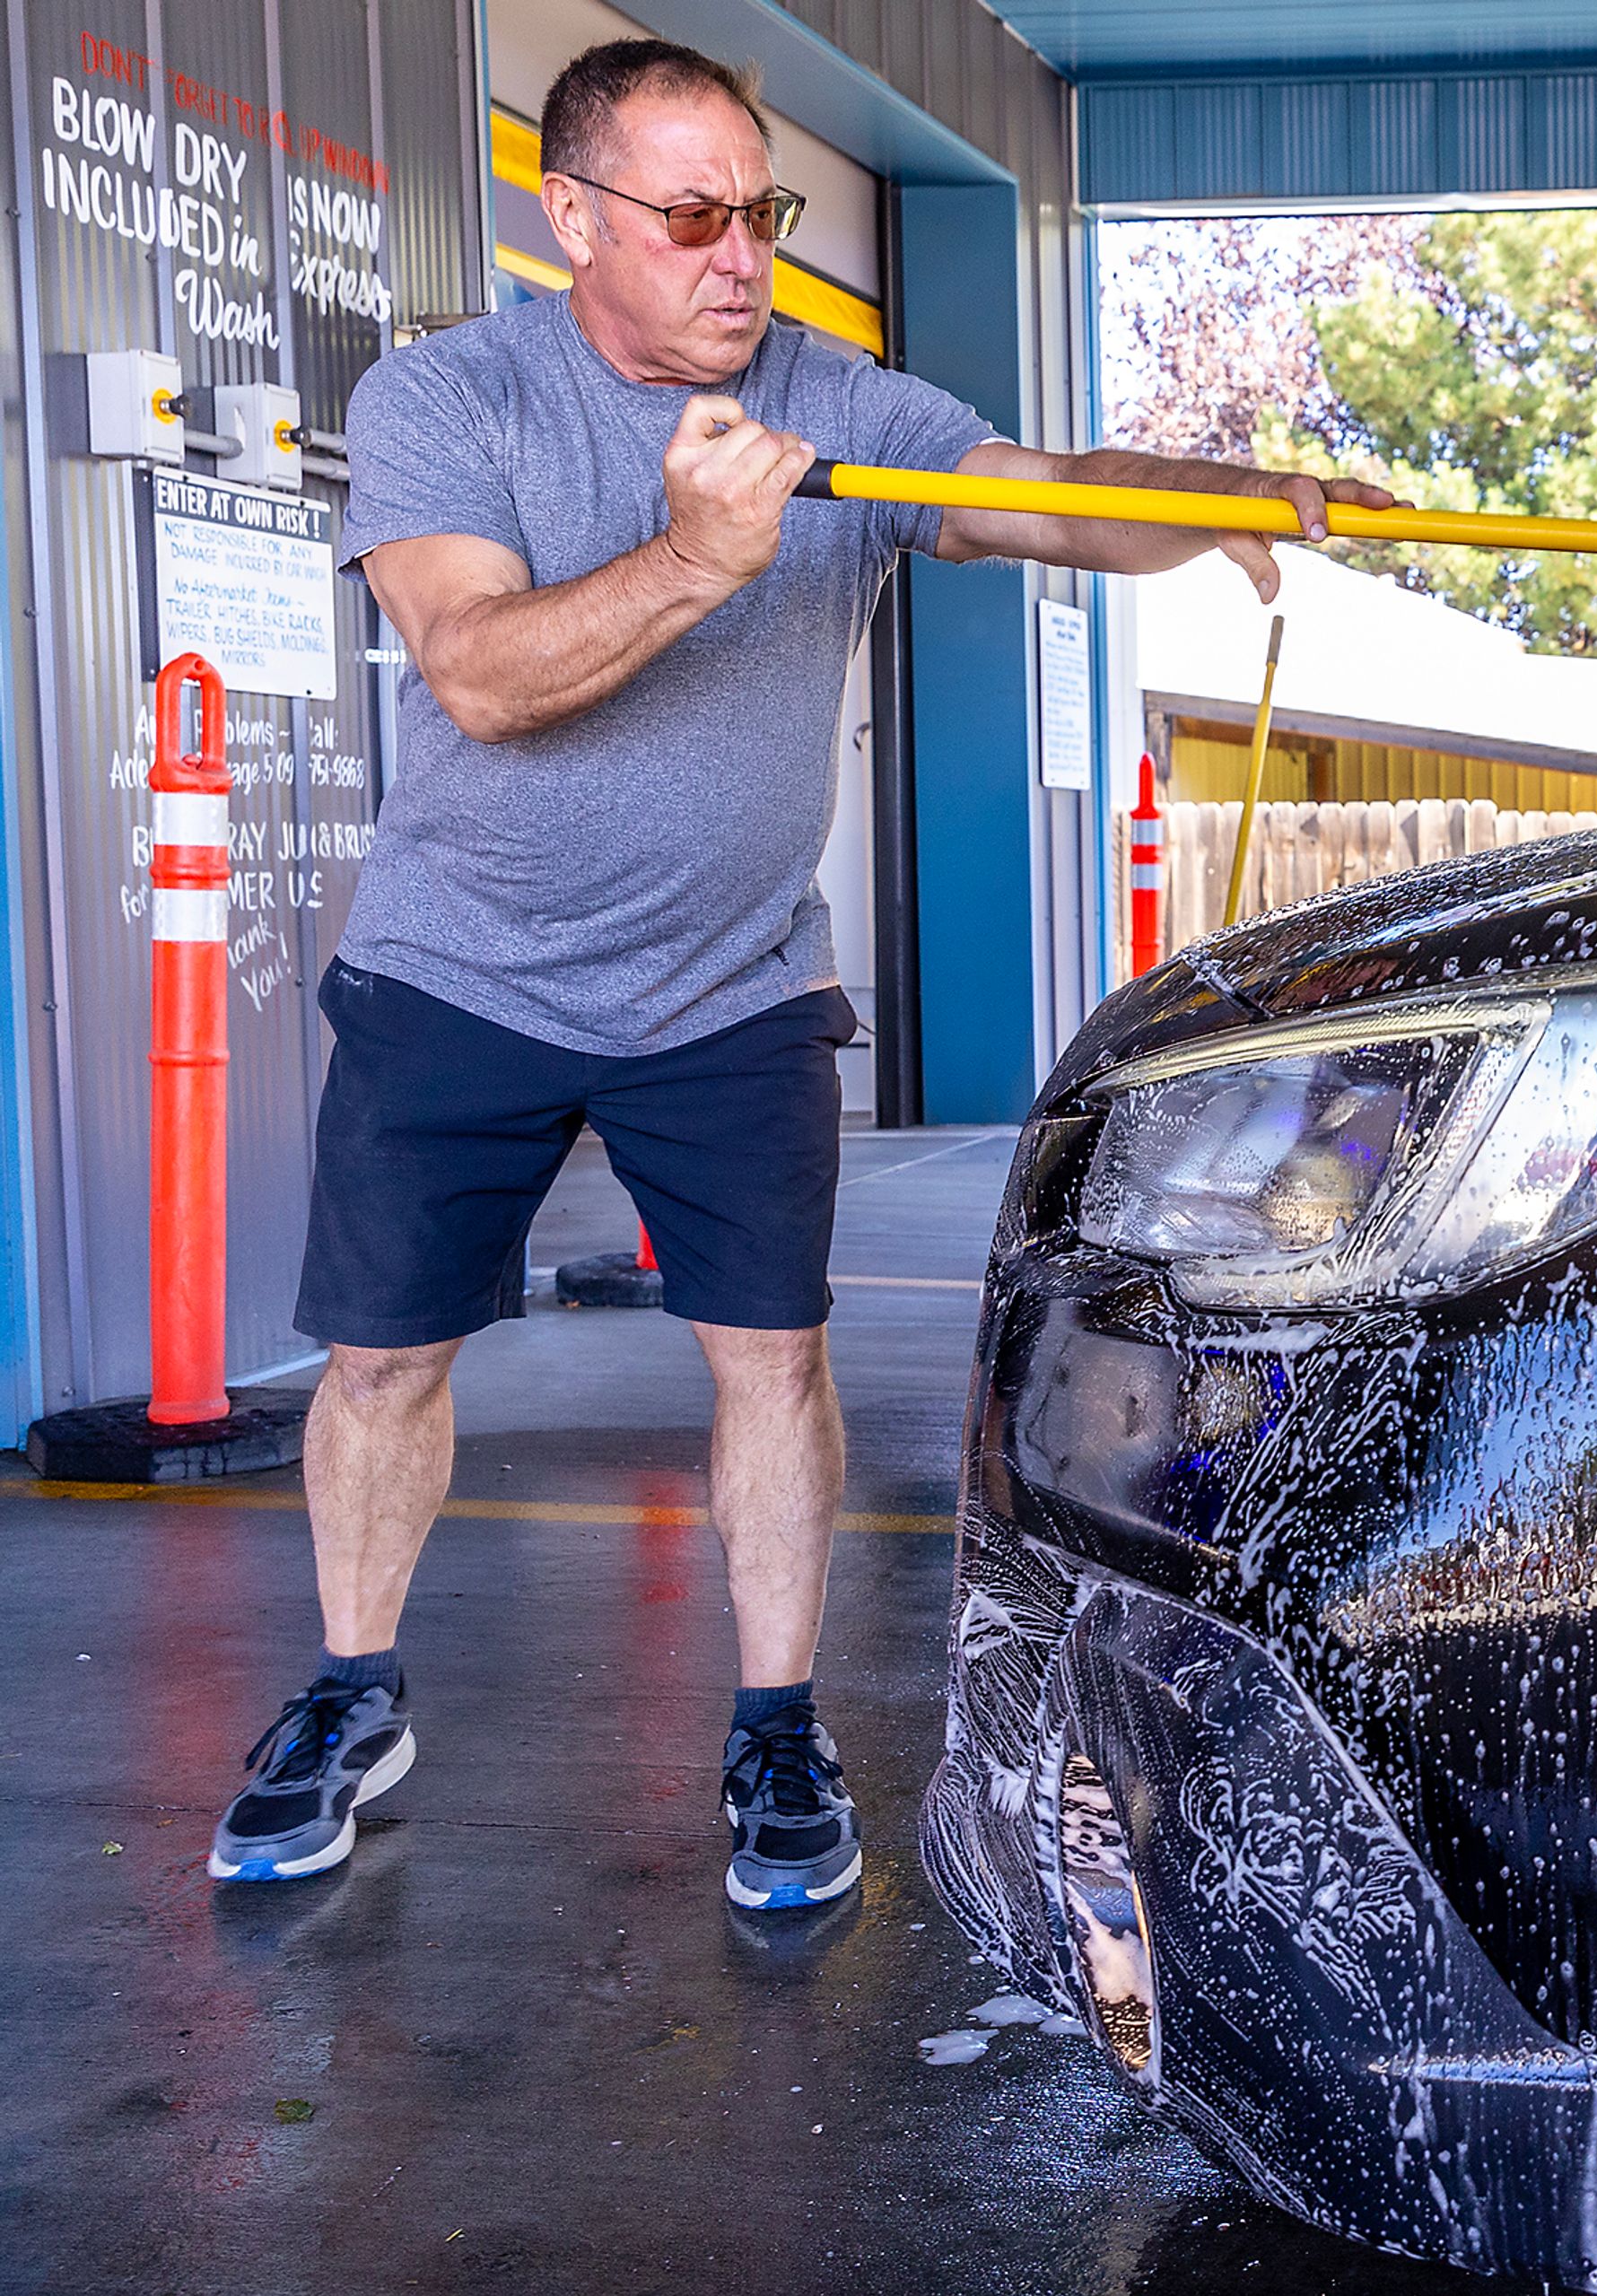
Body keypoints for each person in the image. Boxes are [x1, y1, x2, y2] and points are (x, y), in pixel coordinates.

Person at [206, 36, 1389, 1906]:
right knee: (378, 1361)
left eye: (756, 211)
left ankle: (776, 1721)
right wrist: (698, 552)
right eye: (687, 217)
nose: (737, 256)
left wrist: (1217, 490)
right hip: (460, 970)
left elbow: (1049, 497)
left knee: (771, 1357)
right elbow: (484, 677)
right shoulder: (453, 398)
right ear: (571, 216)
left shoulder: (835, 398)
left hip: (731, 985)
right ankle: (352, 1691)